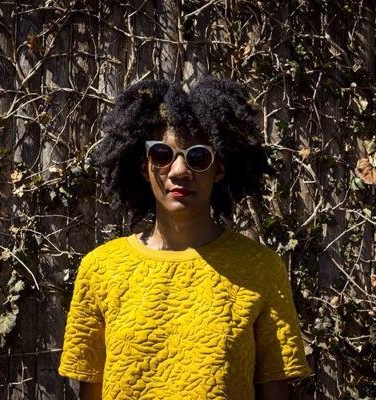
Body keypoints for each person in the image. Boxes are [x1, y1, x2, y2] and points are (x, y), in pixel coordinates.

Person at [58, 76, 311, 400]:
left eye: (198, 157)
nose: (179, 171)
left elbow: (275, 390)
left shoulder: (260, 269)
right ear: (145, 167)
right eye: (162, 154)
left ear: (219, 169)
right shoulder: (101, 269)